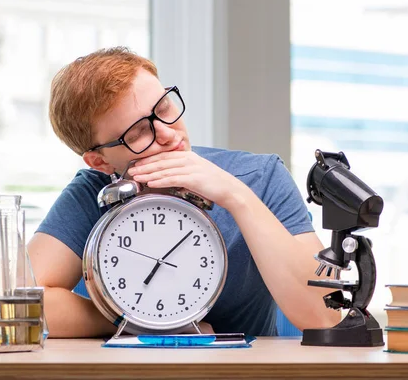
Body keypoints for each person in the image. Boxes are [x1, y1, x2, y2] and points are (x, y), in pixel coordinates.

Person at [27, 46, 340, 338]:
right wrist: (141, 321)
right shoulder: (92, 193)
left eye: (164, 107)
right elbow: (22, 305)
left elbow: (325, 316)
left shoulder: (261, 177)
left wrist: (236, 195)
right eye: (137, 132)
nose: (167, 133)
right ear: (100, 161)